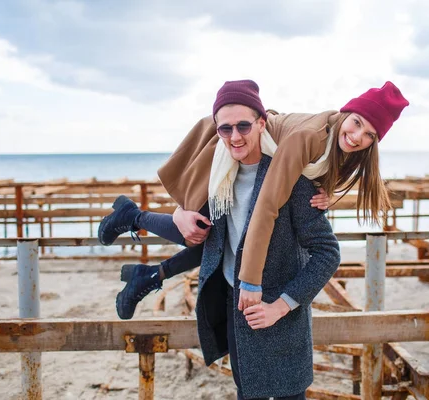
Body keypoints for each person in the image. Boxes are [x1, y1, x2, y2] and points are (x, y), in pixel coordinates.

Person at [100, 79, 409, 311]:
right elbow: (267, 205)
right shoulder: (309, 137)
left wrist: (329, 195)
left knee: (215, 237)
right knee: (198, 229)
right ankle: (132, 217)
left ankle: (148, 274)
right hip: (239, 144)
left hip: (257, 152)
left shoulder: (344, 146)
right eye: (357, 124)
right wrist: (250, 280)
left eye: (370, 135)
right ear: (347, 113)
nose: (358, 137)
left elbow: (327, 171)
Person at [118, 84, 341, 399]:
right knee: (246, 392)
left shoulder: (291, 178)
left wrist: (282, 305)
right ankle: (134, 232)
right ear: (217, 130)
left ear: (262, 124)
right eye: (226, 128)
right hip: (234, 304)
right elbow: (197, 224)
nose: (235, 136)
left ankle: (135, 231)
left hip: (281, 313)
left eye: (244, 126)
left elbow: (328, 253)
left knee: (291, 394)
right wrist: (180, 212)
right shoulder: (218, 174)